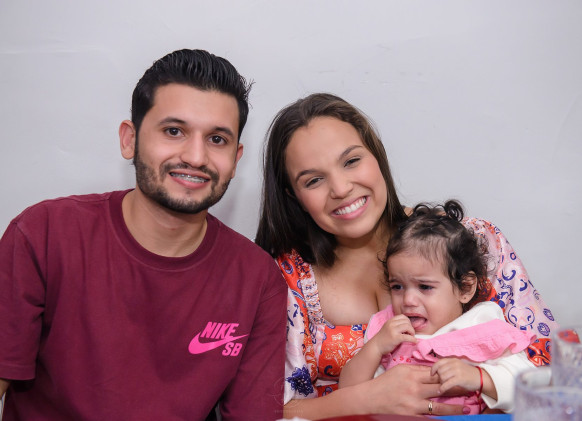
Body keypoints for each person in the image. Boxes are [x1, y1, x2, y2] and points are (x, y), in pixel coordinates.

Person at [0, 49, 287, 420]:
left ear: (235, 159)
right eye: (174, 131)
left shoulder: (258, 279)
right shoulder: (43, 235)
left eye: (217, 139)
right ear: (129, 140)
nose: (196, 157)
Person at [255, 93, 558, 419]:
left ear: (376, 156)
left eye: (351, 161)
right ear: (294, 196)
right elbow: (261, 410)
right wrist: (366, 399)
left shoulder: (472, 244)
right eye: (314, 180)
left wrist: (481, 380)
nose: (340, 189)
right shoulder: (284, 281)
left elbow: (553, 367)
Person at [339, 200, 536, 414]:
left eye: (424, 287)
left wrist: (480, 377)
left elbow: (527, 385)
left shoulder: (481, 326)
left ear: (465, 288)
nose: (408, 300)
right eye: (397, 286)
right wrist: (375, 348)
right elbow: (348, 391)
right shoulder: (388, 330)